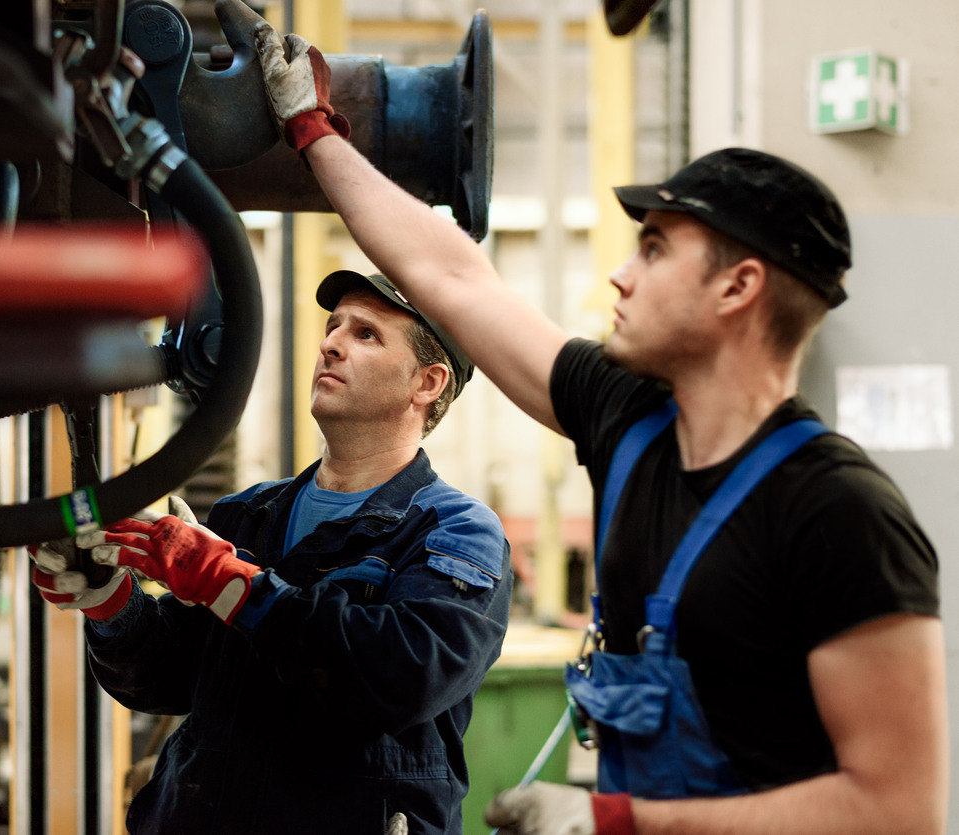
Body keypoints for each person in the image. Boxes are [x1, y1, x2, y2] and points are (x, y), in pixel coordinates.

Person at [247, 22, 947, 835]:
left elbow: (900, 808)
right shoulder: (627, 420)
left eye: (653, 249)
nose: (619, 271)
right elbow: (448, 275)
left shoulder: (840, 513)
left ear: (738, 287)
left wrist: (622, 820)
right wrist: (312, 131)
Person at [29, 270, 513, 835]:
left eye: (367, 335)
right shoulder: (251, 514)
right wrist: (110, 603)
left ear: (427, 383)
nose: (330, 343)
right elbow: (168, 678)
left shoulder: (454, 532)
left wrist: (230, 583)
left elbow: (401, 679)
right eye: (333, 327)